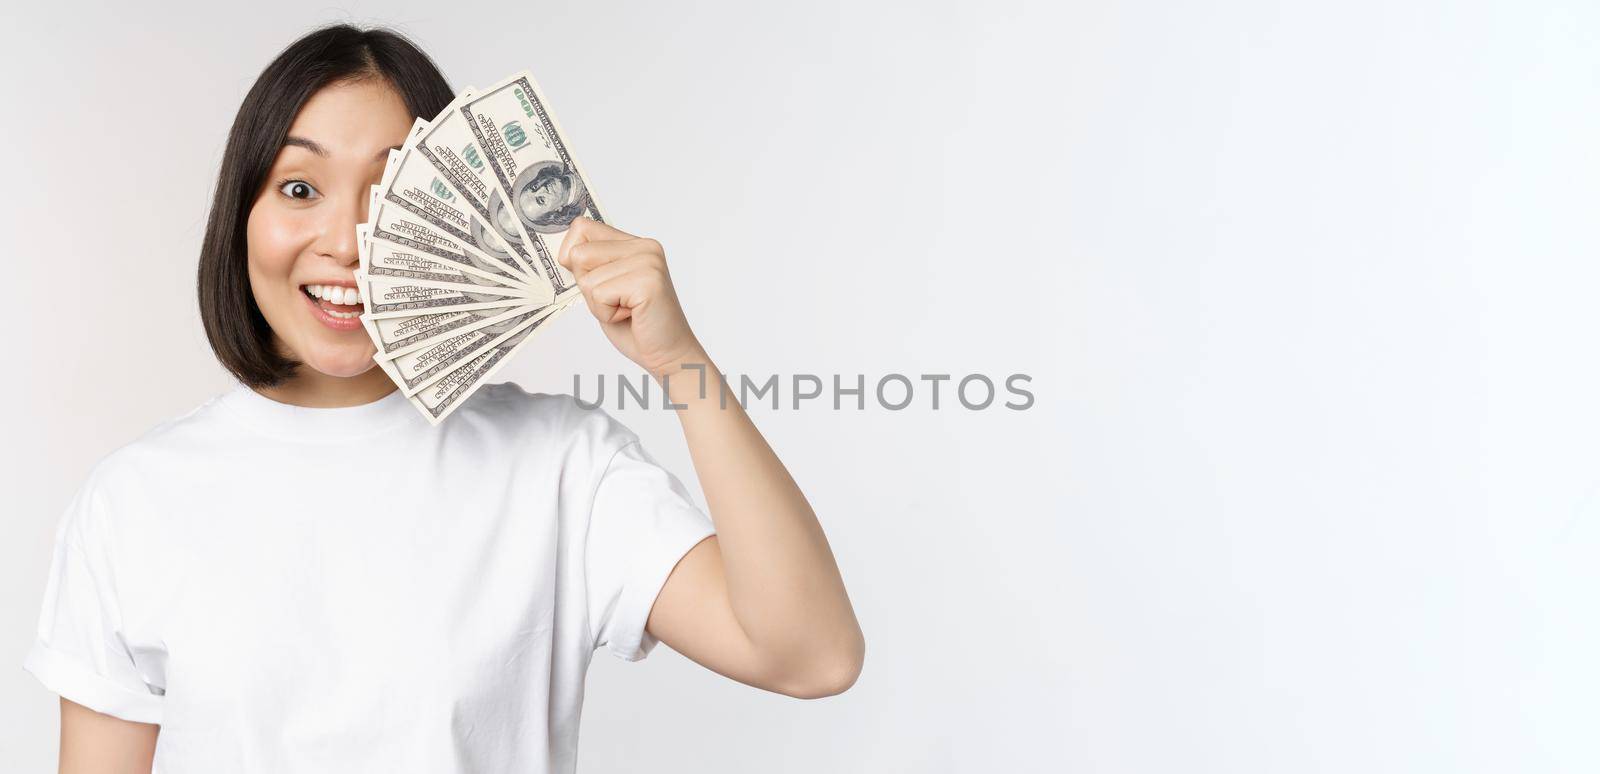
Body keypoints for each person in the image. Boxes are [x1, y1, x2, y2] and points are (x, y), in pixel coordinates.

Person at [21, 24, 864, 773]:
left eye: (389, 194)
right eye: (300, 188)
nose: (347, 243)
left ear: (454, 214)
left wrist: (679, 362)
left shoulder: (559, 465)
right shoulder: (134, 500)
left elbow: (811, 655)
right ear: (240, 214)